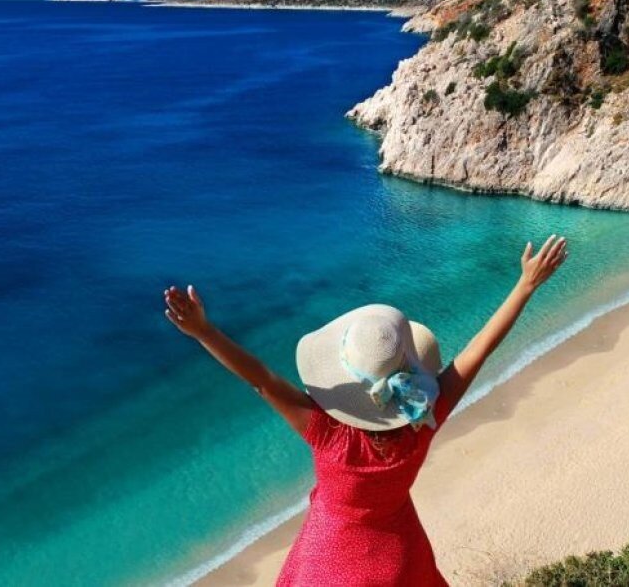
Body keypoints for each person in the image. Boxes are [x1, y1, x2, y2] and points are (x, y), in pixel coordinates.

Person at [163, 235, 568, 586]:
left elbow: (263, 381)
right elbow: (478, 350)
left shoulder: (327, 433)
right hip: (399, 559)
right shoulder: (423, 419)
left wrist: (204, 332)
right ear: (409, 365)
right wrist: (526, 286)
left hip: (328, 561)